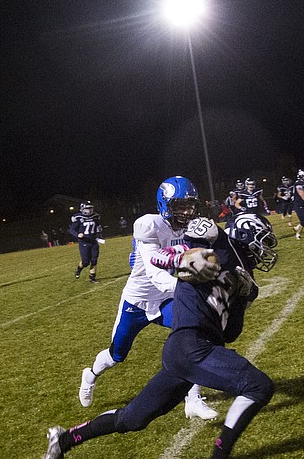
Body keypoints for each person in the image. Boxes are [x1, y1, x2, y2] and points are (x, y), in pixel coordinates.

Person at [41, 211, 279, 459]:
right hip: (190, 344)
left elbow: (230, 335)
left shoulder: (248, 280)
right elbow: (164, 254)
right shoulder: (217, 242)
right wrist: (185, 260)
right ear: (245, 234)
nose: (265, 248)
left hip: (194, 351)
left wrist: (241, 298)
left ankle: (64, 439)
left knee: (132, 419)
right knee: (258, 386)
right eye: (262, 240)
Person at [76, 176, 217, 421]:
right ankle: (89, 375)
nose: (186, 211)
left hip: (165, 300)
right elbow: (154, 274)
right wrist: (186, 289)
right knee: (116, 355)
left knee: (195, 335)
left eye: (189, 205)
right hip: (138, 301)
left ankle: (193, 399)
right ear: (165, 204)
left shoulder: (191, 227)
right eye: (180, 205)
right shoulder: (149, 224)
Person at [68, 201, 105, 283]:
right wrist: (78, 234)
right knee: (85, 262)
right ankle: (78, 270)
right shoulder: (78, 217)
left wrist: (99, 235)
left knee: (94, 260)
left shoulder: (95, 216)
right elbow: (72, 229)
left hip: (93, 241)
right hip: (84, 241)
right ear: (82, 209)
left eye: (90, 208)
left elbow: (98, 226)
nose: (89, 210)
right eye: (87, 208)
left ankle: (92, 278)